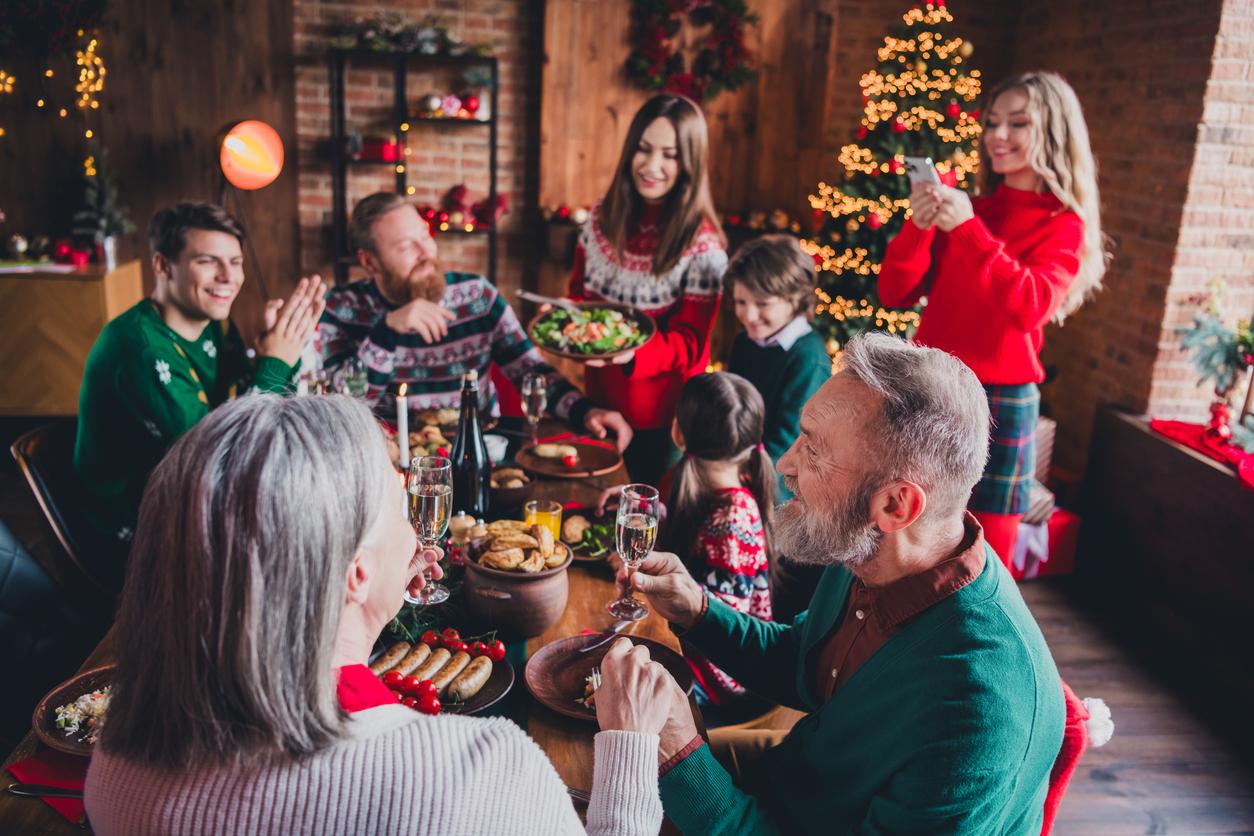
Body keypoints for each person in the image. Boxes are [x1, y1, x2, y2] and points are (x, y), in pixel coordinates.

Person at [84, 394, 665, 835]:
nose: (415, 530)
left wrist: (366, 610)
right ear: (354, 572)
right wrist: (630, 744)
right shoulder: (478, 772)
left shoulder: (116, 758)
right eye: (400, 504)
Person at [599, 333, 1066, 834]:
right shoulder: (871, 550)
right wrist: (697, 610)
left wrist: (679, 755)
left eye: (814, 451)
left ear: (895, 505)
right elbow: (804, 662)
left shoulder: (977, 715)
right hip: (795, 779)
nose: (785, 464)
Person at [878, 71, 1108, 575]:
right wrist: (918, 228)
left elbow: (1030, 305)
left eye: (1018, 123)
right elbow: (895, 292)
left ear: (1053, 133)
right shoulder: (973, 209)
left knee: (988, 550)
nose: (998, 135)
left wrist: (969, 230)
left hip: (1002, 398)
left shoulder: (1062, 225)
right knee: (907, 525)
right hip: (933, 384)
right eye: (993, 122)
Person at [74, 202, 323, 578]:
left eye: (236, 262)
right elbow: (221, 458)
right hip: (139, 537)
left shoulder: (213, 323)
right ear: (163, 266)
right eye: (207, 261)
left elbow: (250, 411)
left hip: (198, 502)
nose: (228, 277)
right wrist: (276, 361)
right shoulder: (141, 350)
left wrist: (274, 352)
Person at [312, 193, 631, 450]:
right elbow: (342, 411)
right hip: (389, 462)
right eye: (406, 246)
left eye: (424, 235)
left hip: (476, 452)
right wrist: (386, 332)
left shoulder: (477, 296)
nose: (426, 251)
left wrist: (586, 411)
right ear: (370, 262)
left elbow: (529, 371)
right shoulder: (341, 308)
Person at [565, 94, 728, 484]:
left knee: (646, 508)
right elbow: (580, 294)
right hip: (601, 405)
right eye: (644, 148)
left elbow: (690, 343)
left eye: (670, 155)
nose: (652, 165)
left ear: (689, 163)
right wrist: (564, 316)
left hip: (664, 421)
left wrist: (630, 352)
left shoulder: (702, 244)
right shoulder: (603, 218)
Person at [658, 372, 776, 724]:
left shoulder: (733, 520)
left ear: (678, 432)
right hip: (685, 645)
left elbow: (723, 631)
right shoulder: (706, 486)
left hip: (716, 682)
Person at [725, 235, 831, 503]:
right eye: (740, 302)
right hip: (735, 469)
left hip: (776, 492)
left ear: (794, 299)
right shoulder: (745, 341)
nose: (749, 316)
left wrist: (729, 479)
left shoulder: (808, 359)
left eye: (762, 304)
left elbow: (787, 447)